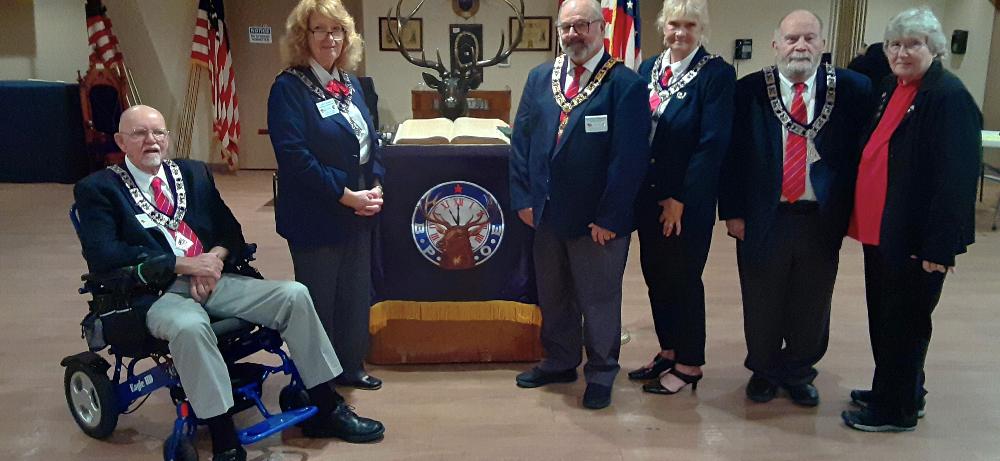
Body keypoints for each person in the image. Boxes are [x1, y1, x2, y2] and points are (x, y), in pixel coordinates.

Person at [73, 105, 385, 461]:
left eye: (158, 132)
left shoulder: (192, 174)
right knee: (190, 326)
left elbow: (230, 232)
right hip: (152, 293)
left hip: (213, 277)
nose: (151, 141)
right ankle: (224, 438)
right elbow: (105, 255)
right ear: (120, 141)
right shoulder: (99, 189)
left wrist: (212, 261)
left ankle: (326, 406)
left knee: (294, 295)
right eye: (139, 134)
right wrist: (183, 265)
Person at [718, 10, 871, 407]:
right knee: (761, 299)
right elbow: (732, 155)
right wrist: (732, 211)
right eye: (791, 38)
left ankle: (799, 371)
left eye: (809, 38)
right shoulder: (749, 90)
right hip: (763, 216)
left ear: (822, 43)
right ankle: (764, 371)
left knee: (812, 302)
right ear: (776, 44)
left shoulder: (852, 90)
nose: (800, 46)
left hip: (819, 217)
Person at [842, 7, 980, 432]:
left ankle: (895, 411)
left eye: (913, 44)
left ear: (934, 48)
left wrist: (939, 246)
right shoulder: (893, 87)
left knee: (905, 324)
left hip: (915, 239)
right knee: (886, 319)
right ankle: (899, 390)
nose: (902, 52)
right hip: (882, 230)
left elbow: (956, 179)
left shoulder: (948, 97)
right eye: (894, 45)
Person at [509, 0, 650, 410]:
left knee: (598, 300)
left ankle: (602, 372)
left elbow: (629, 159)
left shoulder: (624, 84)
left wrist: (610, 217)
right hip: (545, 214)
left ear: (601, 27)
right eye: (566, 27)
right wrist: (523, 199)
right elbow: (521, 142)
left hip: (597, 222)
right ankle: (560, 360)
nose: (574, 34)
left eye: (582, 25)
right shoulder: (540, 78)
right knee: (554, 296)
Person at [267, 0, 385, 391]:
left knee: (354, 293)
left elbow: (371, 141)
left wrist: (376, 184)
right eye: (320, 29)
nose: (330, 38)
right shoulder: (288, 88)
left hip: (359, 209)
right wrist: (345, 194)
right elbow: (294, 157)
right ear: (303, 36)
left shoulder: (352, 84)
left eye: (337, 30)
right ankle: (320, 380)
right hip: (316, 213)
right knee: (320, 300)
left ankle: (351, 365)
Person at [628, 0, 734, 395]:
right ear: (663, 26)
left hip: (687, 200)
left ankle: (690, 363)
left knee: (683, 278)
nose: (681, 32)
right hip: (648, 195)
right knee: (656, 276)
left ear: (701, 29)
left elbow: (712, 144)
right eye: (674, 24)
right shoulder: (648, 69)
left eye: (690, 25)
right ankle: (669, 350)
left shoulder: (716, 74)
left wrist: (681, 198)